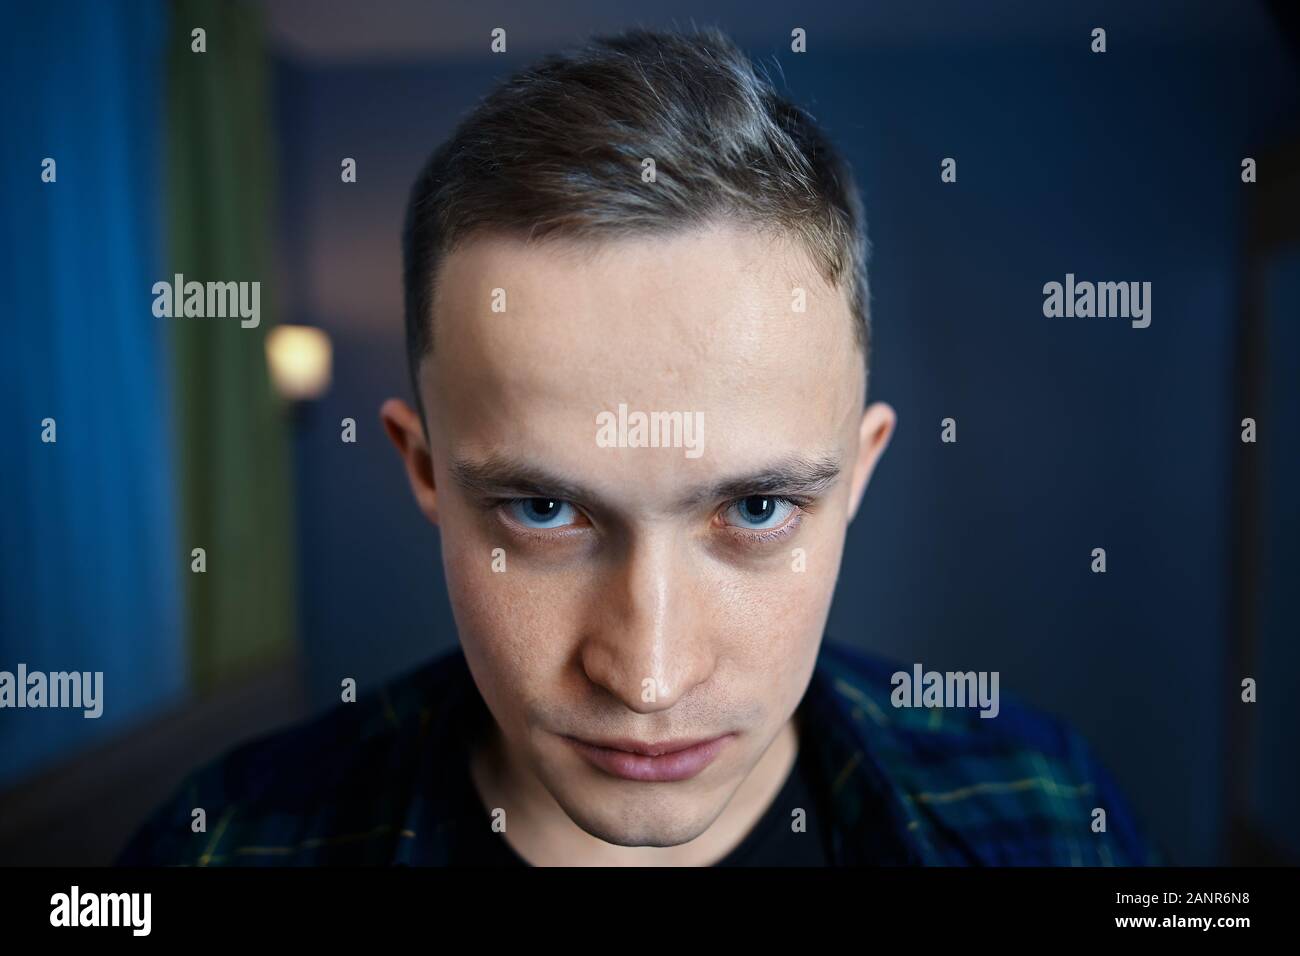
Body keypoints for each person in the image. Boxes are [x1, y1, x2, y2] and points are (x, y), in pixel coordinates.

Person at [118, 27, 1157, 867]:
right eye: (542, 508)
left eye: (755, 509)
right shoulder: (218, 847)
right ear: (425, 469)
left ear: (858, 475)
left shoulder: (1046, 815)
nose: (648, 678)